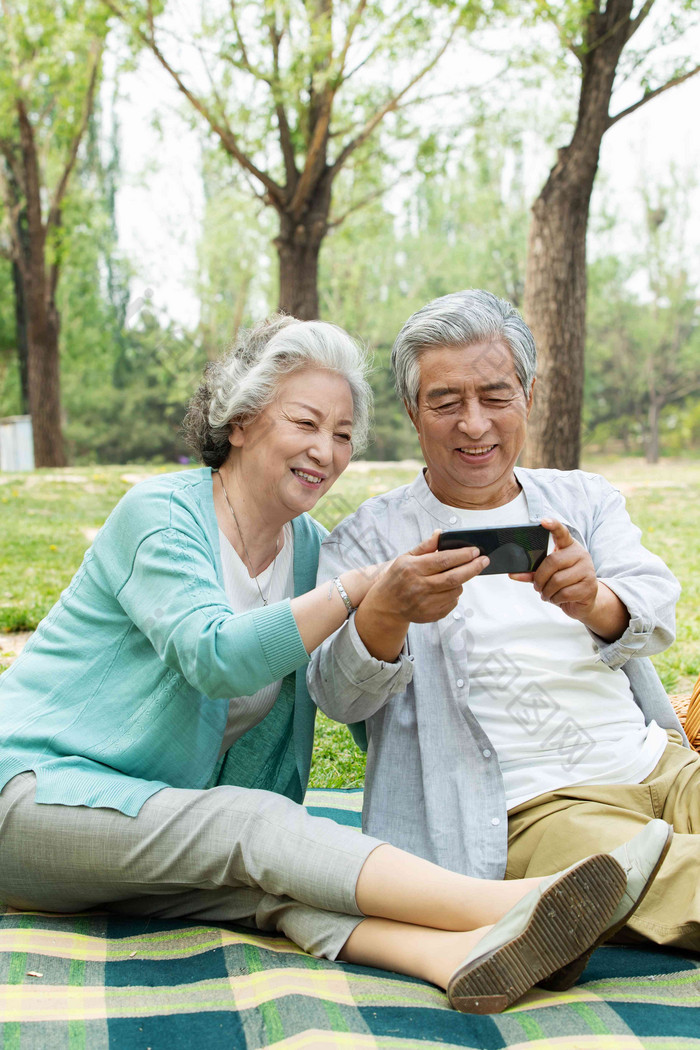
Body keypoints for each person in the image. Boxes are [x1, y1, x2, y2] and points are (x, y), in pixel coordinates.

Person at [0, 314, 670, 1013]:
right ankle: (510, 904)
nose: (326, 450)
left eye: (344, 435)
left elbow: (361, 707)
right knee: (252, 828)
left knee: (283, 879)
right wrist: (359, 591)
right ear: (241, 420)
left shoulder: (309, 549)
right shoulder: (163, 517)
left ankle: (454, 956)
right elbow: (217, 657)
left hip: (149, 822)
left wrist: (435, 782)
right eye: (306, 423)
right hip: (29, 795)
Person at [308, 289, 700, 964]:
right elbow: (337, 696)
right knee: (657, 874)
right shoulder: (369, 539)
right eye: (445, 402)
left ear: (528, 394)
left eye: (495, 396)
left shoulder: (584, 500)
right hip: (534, 809)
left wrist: (594, 599)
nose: (474, 424)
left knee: (660, 866)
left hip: (659, 765)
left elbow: (655, 608)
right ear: (411, 410)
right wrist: (386, 611)